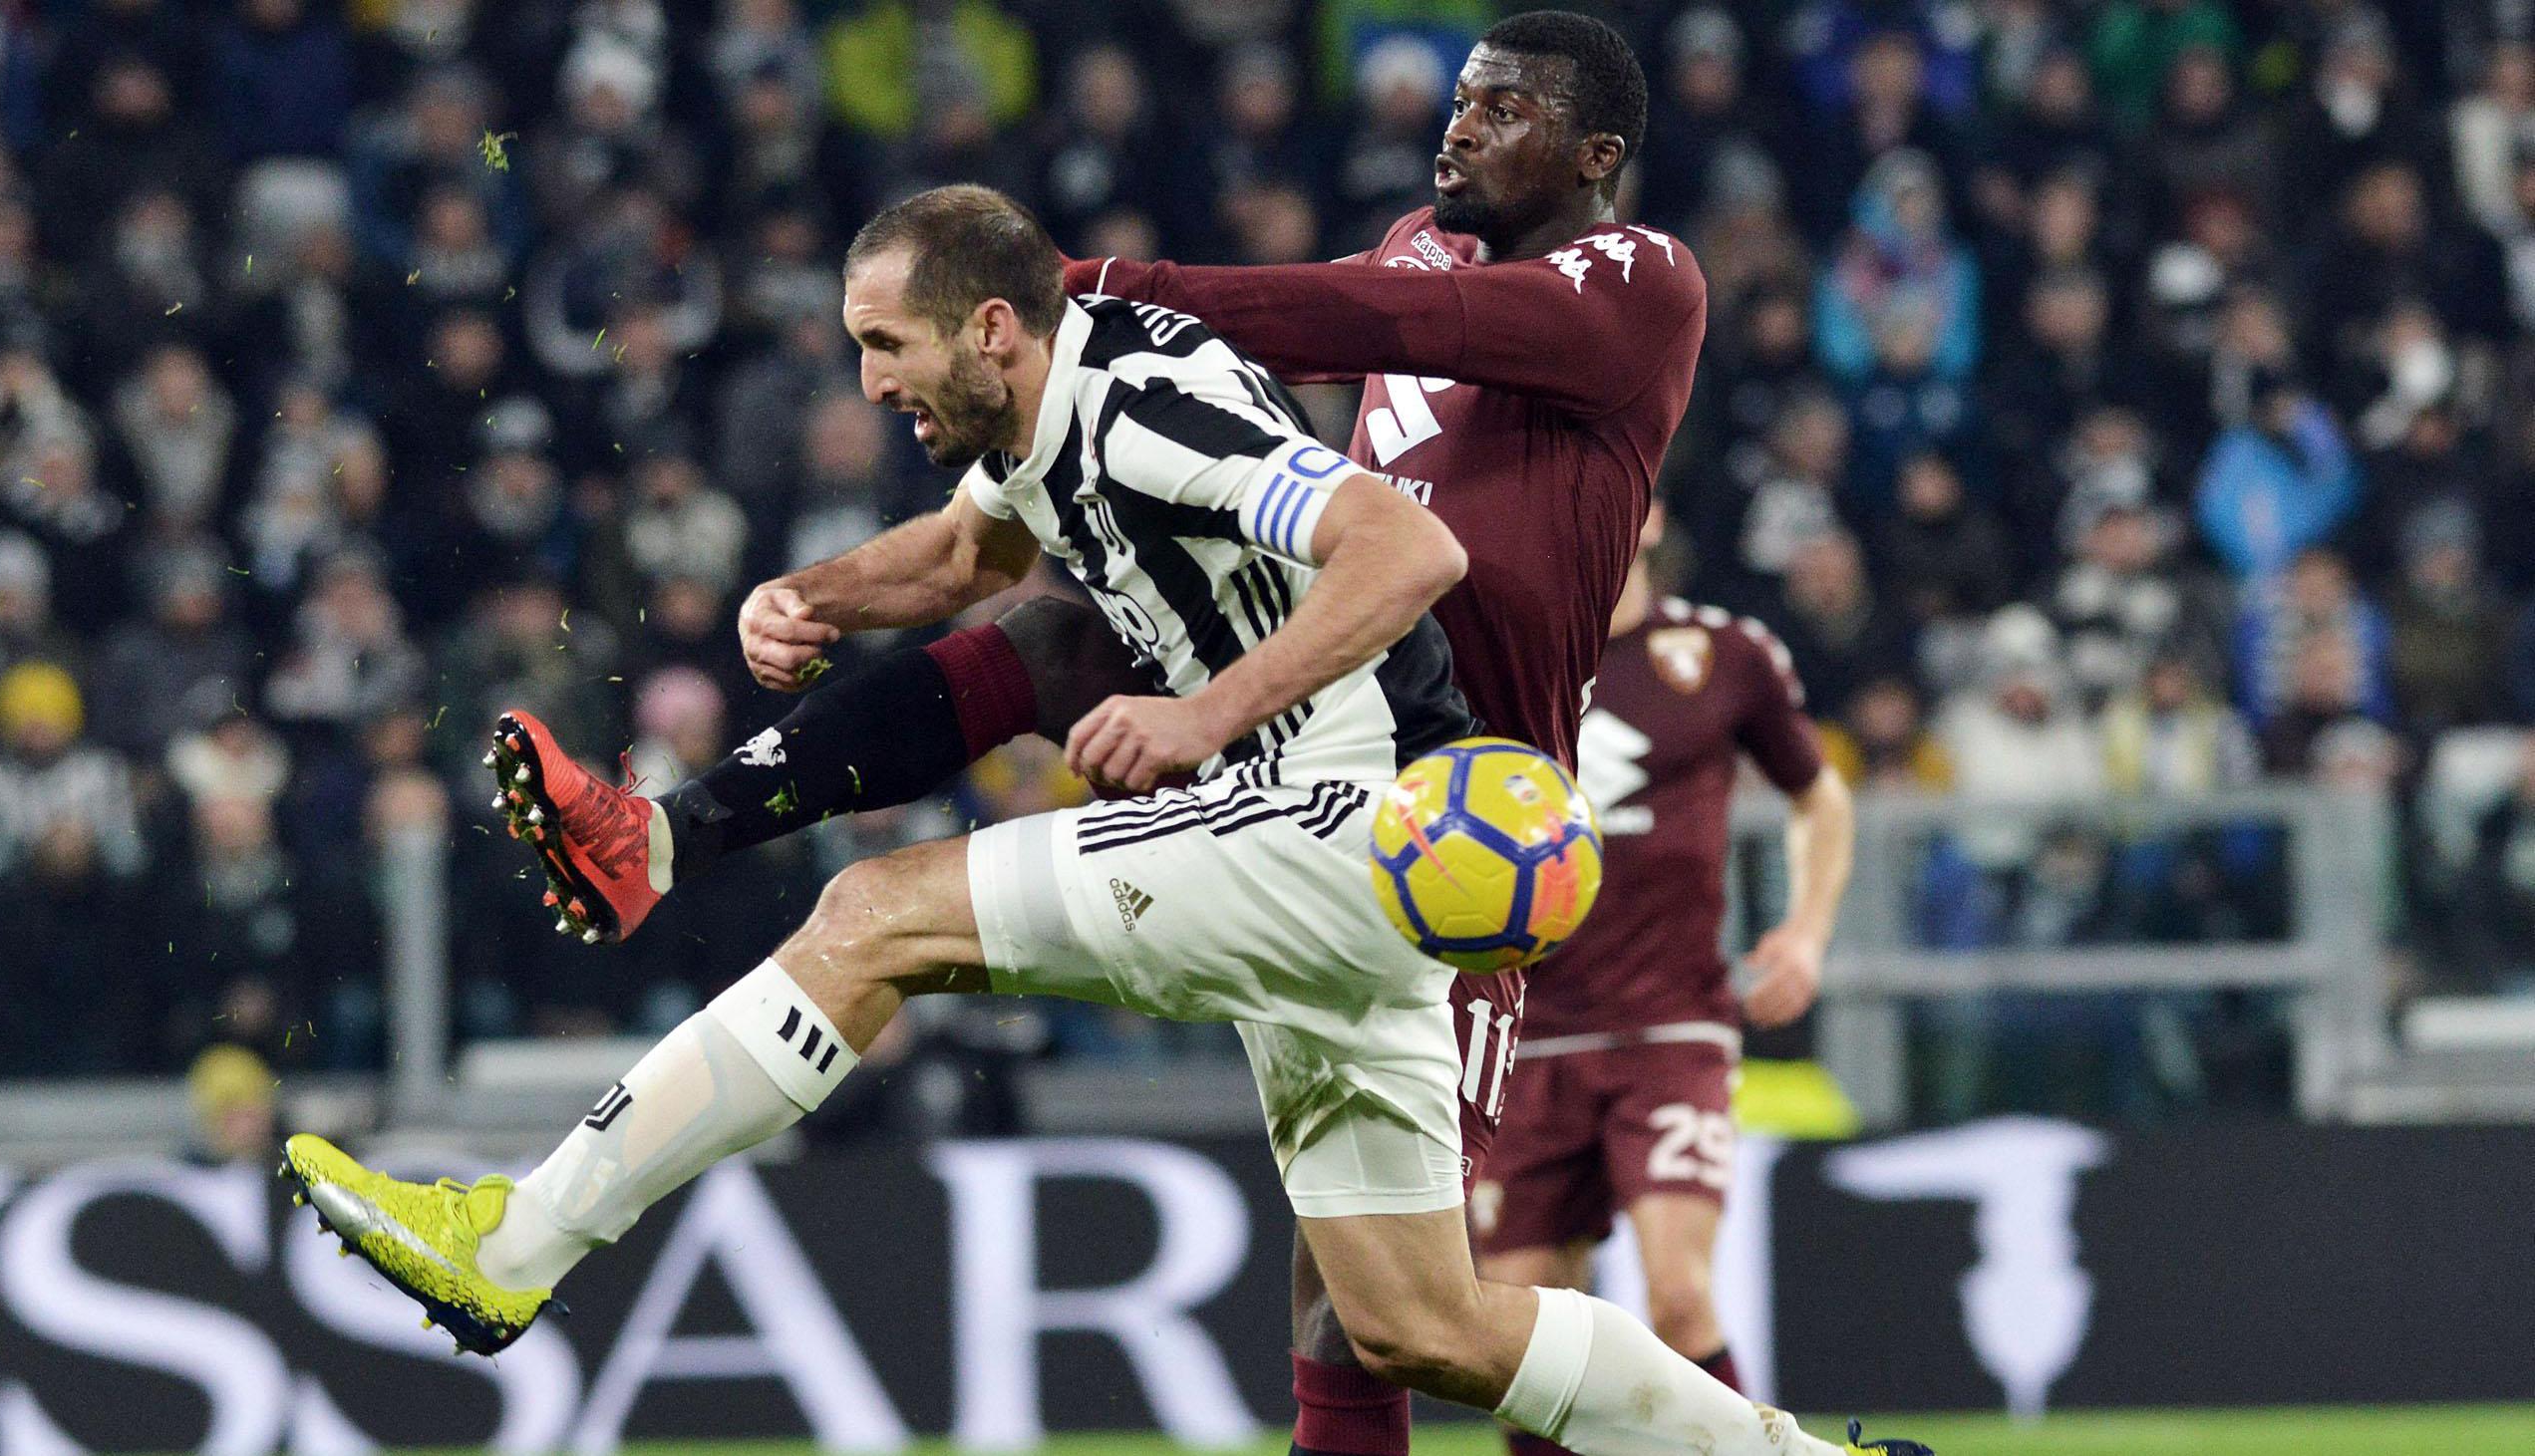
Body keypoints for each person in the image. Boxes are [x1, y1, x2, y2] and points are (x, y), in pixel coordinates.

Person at [450, 14, 1906, 1455]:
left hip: (1454, 799)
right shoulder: (1414, 237)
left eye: (1503, 110)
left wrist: (1077, 292)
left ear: (1595, 154)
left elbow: (1381, 326)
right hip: (1314, 698)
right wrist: (824, 576)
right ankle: (669, 830)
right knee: (1058, 619)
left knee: (1386, 1316)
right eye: (1458, 101)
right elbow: (984, 543)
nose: (1458, 127)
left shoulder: (1641, 278)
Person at [1474, 499, 1854, 1418]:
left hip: (1670, 1026)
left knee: (1679, 1294)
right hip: (1527, 1037)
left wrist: (1805, 931)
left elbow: (1821, 796)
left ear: (1652, 522)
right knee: (1524, 1330)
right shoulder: (1500, 659)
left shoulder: (1726, 653)